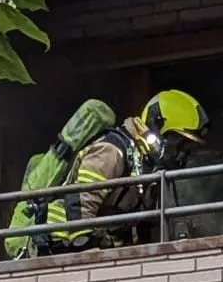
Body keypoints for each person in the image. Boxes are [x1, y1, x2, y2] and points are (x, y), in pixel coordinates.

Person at [34, 89, 210, 255]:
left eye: (188, 147)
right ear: (158, 126)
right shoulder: (112, 151)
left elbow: (136, 225)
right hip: (59, 243)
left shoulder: (146, 167)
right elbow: (80, 200)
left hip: (88, 246)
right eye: (179, 142)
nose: (182, 153)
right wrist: (86, 250)